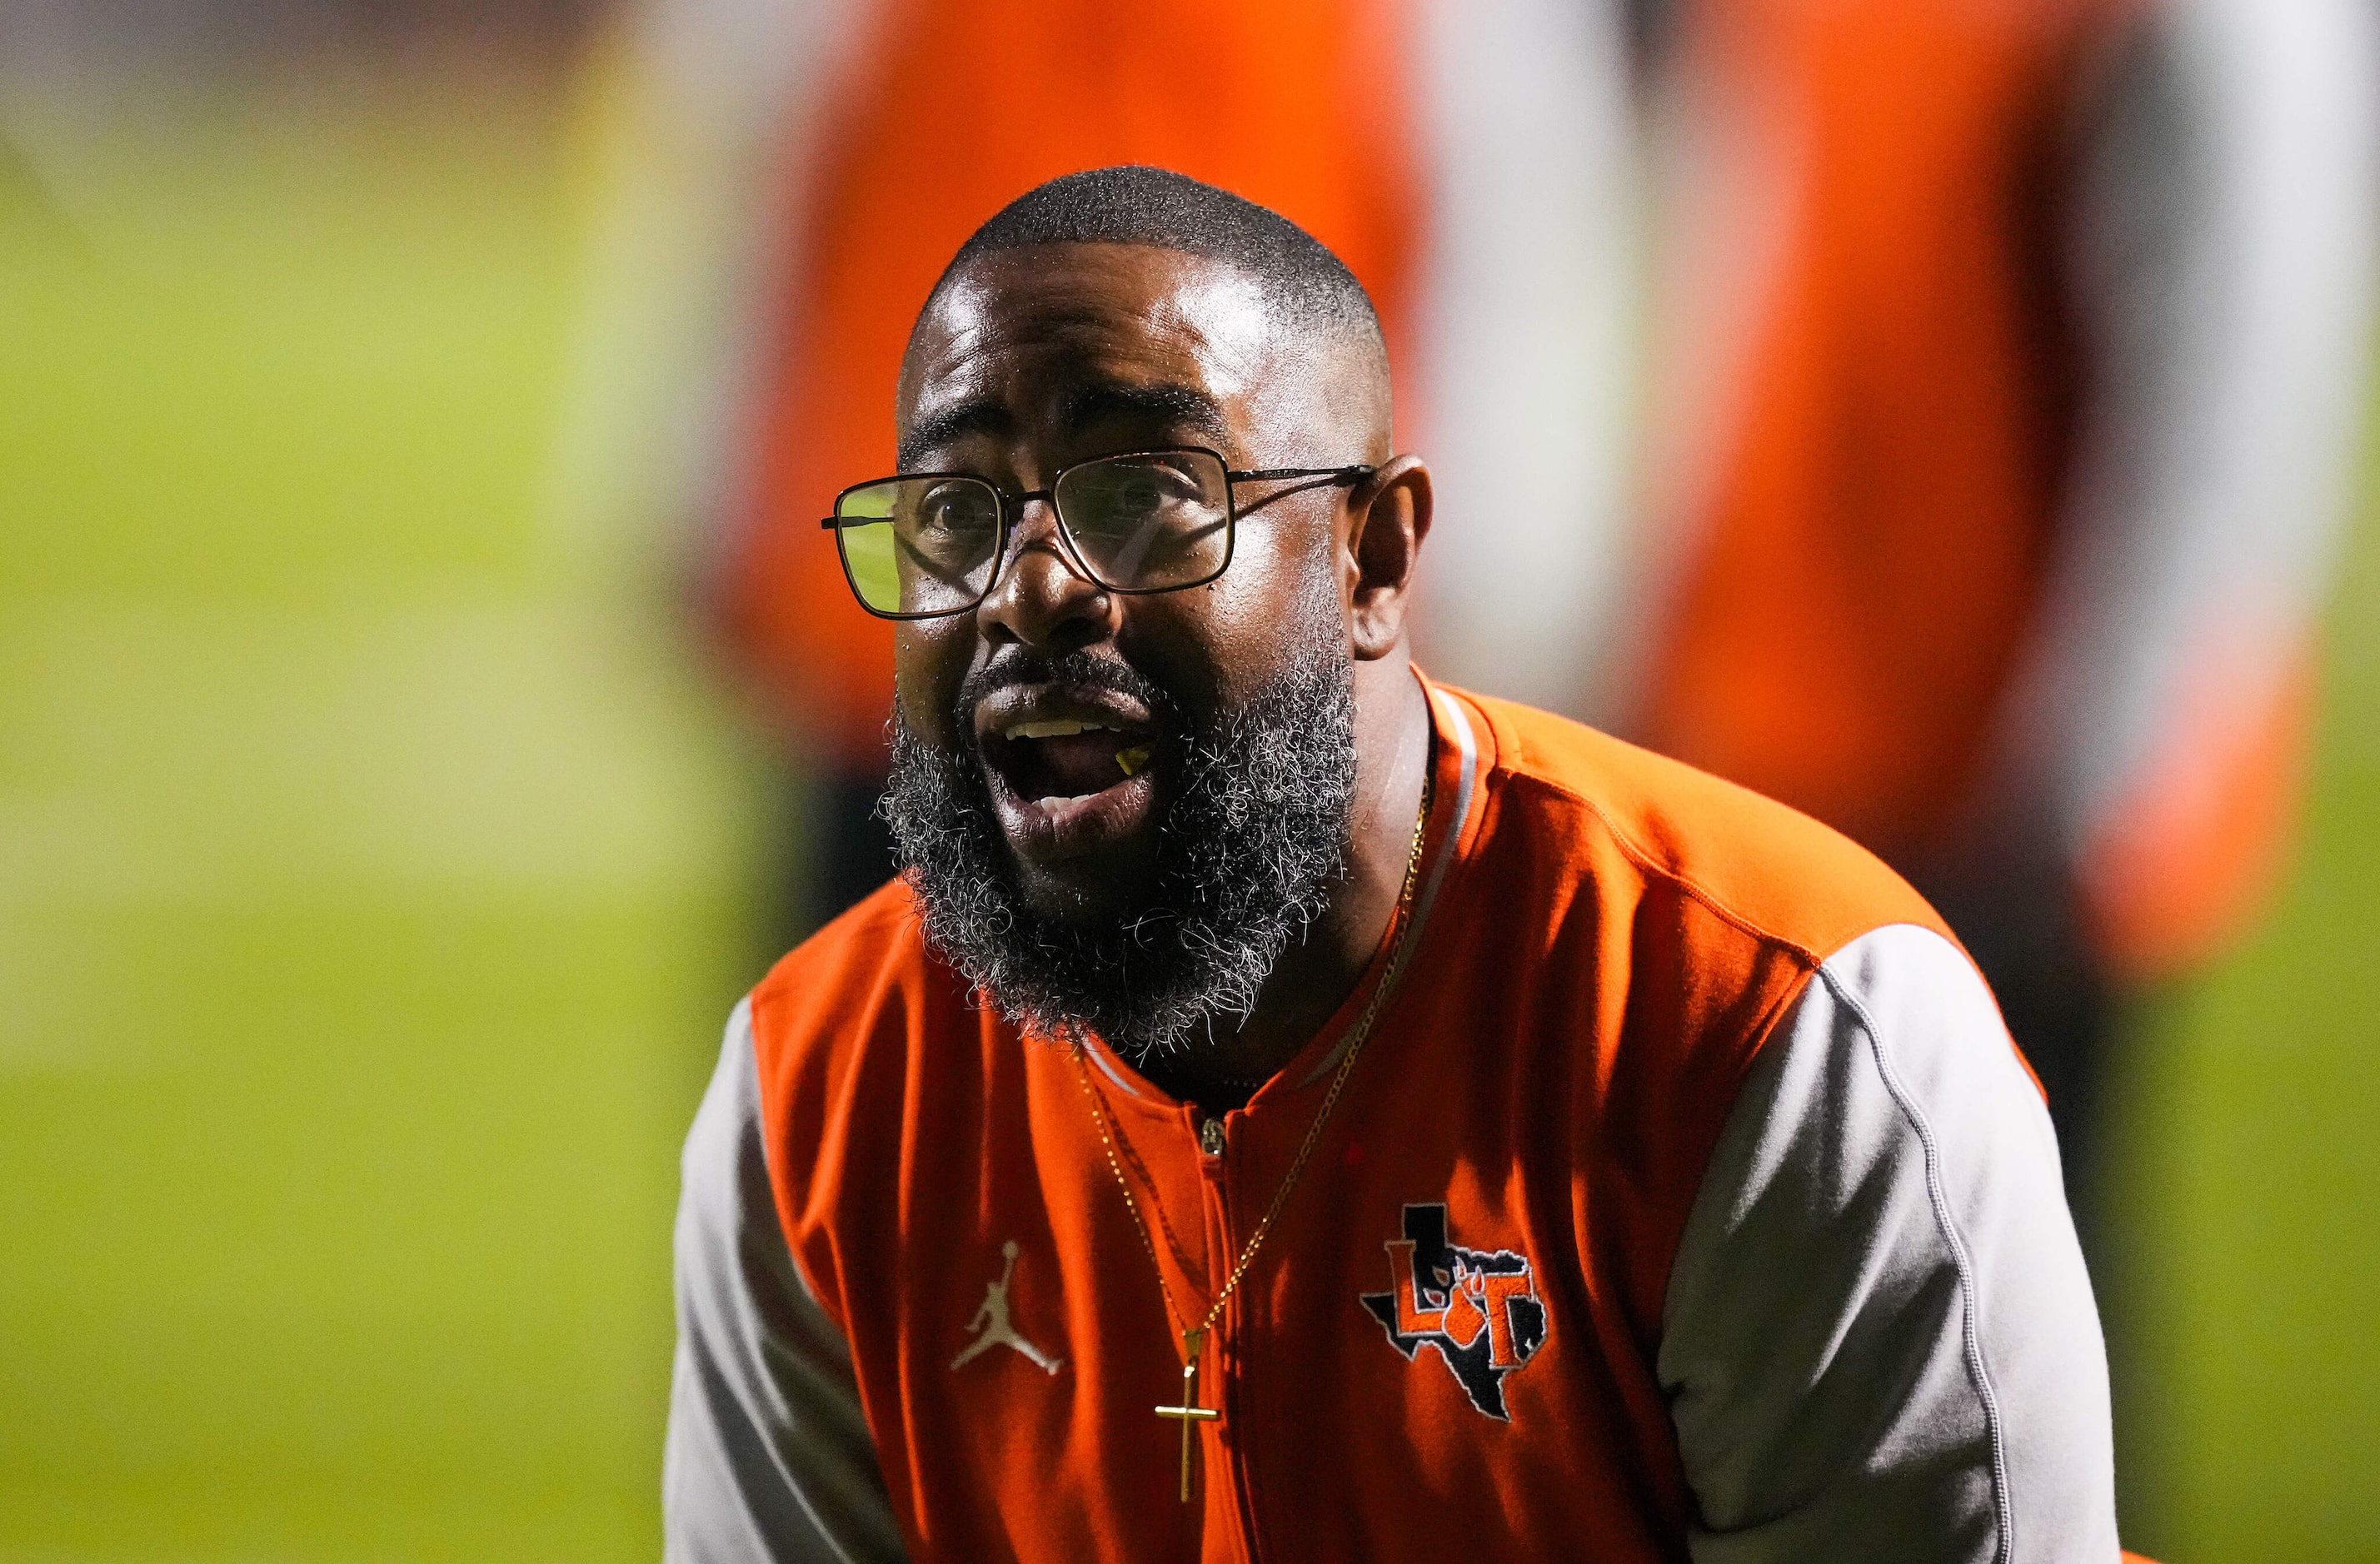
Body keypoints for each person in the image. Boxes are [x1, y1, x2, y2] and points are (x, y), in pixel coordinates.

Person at [664, 167, 2133, 1561]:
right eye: (954, 511)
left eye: (1142, 491)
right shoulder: (817, 1100)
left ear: (1371, 556)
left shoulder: (1777, 1035)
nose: (1031, 584)